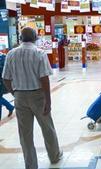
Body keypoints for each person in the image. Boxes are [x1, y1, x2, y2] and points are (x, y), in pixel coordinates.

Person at [2, 27, 62, 169]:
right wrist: (48, 100)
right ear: (35, 38)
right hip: (38, 96)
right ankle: (54, 156)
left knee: (25, 133)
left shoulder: (11, 54)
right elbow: (44, 79)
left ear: (20, 38)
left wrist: (14, 93)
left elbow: (5, 78)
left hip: (20, 96)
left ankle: (31, 165)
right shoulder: (39, 53)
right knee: (47, 128)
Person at [0, 53, 14, 121]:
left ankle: (10, 107)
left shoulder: (2, 58)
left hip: (2, 81)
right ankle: (10, 107)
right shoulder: (4, 56)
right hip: (5, 81)